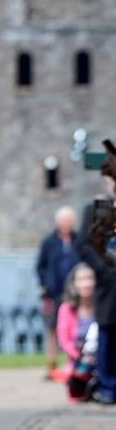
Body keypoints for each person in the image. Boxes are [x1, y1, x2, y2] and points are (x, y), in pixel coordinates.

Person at [76, 144, 116, 405]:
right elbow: (86, 244)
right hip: (110, 283)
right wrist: (104, 269)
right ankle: (108, 387)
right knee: (108, 336)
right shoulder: (101, 208)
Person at [36, 206, 81, 380]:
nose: (66, 224)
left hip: (75, 293)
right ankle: (52, 367)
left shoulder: (79, 241)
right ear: (58, 222)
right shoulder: (49, 242)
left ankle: (76, 365)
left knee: (76, 328)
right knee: (51, 329)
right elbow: (40, 266)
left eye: (69, 221)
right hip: (53, 294)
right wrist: (45, 284)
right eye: (64, 221)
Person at [56, 263, 97, 401]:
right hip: (78, 364)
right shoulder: (66, 308)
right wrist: (80, 355)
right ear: (74, 283)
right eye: (81, 279)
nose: (86, 283)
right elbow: (64, 340)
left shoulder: (104, 307)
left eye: (90, 278)